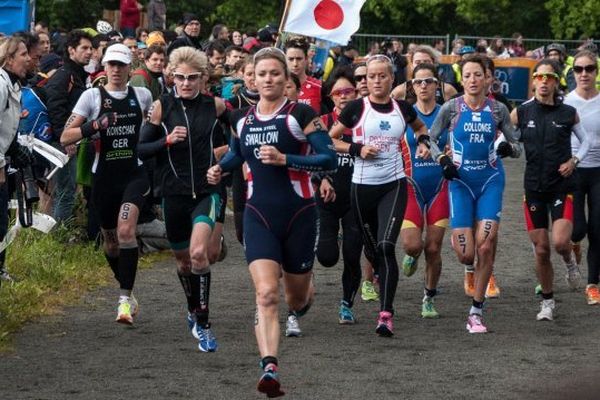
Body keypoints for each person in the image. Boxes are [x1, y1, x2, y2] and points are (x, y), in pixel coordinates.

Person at [206, 47, 336, 398]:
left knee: (294, 300)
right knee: (265, 294)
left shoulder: (301, 114)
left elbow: (329, 158)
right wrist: (222, 168)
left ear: (286, 78)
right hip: (258, 214)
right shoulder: (242, 120)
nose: (268, 79)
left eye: (275, 74)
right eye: (261, 74)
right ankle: (270, 367)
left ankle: (305, 295)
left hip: (299, 215)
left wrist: (285, 158)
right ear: (251, 77)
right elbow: (238, 153)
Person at [329, 54, 428, 337]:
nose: (375, 81)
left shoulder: (403, 108)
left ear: (391, 79)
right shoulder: (356, 108)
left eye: (381, 76)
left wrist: (423, 142)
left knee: (385, 246)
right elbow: (330, 139)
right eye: (370, 76)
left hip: (393, 185)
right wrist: (356, 149)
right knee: (372, 250)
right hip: (360, 188)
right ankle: (375, 285)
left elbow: (420, 127)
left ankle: (386, 314)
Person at [139, 46, 228, 352]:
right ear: (171, 76)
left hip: (205, 191)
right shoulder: (161, 106)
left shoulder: (214, 106)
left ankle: (203, 322)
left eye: (192, 78)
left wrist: (222, 166)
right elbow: (141, 149)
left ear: (203, 78)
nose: (186, 83)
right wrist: (165, 140)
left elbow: (242, 134)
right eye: (180, 77)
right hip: (173, 194)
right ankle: (193, 308)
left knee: (200, 253)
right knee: (184, 262)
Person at [426, 54, 521, 333]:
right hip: (460, 183)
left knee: (485, 244)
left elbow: (516, 146)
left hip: (490, 180)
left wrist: (506, 148)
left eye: (478, 75)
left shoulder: (498, 110)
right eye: (467, 75)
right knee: (466, 254)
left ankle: (476, 311)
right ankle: (469, 271)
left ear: (488, 78)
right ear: (462, 79)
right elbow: (430, 138)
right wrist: (442, 160)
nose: (472, 80)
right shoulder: (451, 108)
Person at [60, 44, 153, 324]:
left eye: (121, 65)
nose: (115, 70)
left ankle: (123, 301)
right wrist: (94, 126)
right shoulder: (92, 96)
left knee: (127, 232)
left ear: (129, 68)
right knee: (111, 244)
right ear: (105, 66)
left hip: (134, 174)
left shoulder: (143, 95)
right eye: (111, 64)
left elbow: (152, 126)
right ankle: (127, 288)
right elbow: (66, 137)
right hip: (104, 179)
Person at [513, 59, 593, 320]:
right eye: (540, 76)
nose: (544, 81)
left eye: (549, 77)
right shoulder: (522, 112)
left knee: (559, 242)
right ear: (534, 80)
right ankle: (547, 302)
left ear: (556, 81)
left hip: (561, 186)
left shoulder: (568, 112)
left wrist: (574, 161)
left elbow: (586, 140)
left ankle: (570, 262)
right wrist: (505, 145)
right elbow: (505, 135)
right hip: (533, 187)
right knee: (542, 249)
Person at [399, 63, 448, 319]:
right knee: (411, 245)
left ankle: (429, 296)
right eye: (418, 82)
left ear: (436, 85)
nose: (423, 86)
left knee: (433, 247)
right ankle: (412, 255)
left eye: (428, 81)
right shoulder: (405, 114)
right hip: (411, 186)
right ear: (411, 86)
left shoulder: (447, 113)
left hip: (440, 186)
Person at [316, 66, 363, 324]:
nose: (344, 96)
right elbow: (311, 157)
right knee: (327, 257)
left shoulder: (365, 123)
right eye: (338, 93)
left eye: (349, 91)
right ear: (331, 97)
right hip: (327, 198)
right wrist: (322, 178)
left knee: (352, 256)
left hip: (356, 200)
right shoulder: (321, 123)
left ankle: (347, 303)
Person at [45, 30, 93, 225]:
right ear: (71, 50)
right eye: (84, 48)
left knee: (67, 190)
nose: (89, 52)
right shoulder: (64, 76)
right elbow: (55, 110)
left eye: (91, 48)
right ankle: (58, 241)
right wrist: (64, 140)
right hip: (62, 143)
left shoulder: (77, 74)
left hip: (70, 140)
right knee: (65, 192)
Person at [564, 50, 600, 305]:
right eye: (579, 69)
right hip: (574, 171)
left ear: (596, 72)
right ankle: (574, 245)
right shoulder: (566, 103)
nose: (584, 73)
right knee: (577, 230)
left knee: (597, 230)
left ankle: (592, 284)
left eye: (589, 68)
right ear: (573, 73)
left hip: (599, 171)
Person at [0, 36, 32, 284]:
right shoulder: (0, 85)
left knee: (2, 221)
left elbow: (6, 128)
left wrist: (15, 147)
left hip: (3, 157)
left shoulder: (15, 86)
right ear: (9, 59)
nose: (29, 58)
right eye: (23, 54)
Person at [391, 45, 458, 105]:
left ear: (434, 63)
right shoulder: (400, 91)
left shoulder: (447, 90)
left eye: (426, 62)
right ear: (411, 65)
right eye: (418, 62)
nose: (422, 65)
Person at [285, 36, 323, 113]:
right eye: (291, 59)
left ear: (306, 59)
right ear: (285, 59)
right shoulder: (278, 87)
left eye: (299, 59)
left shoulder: (319, 87)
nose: (295, 64)